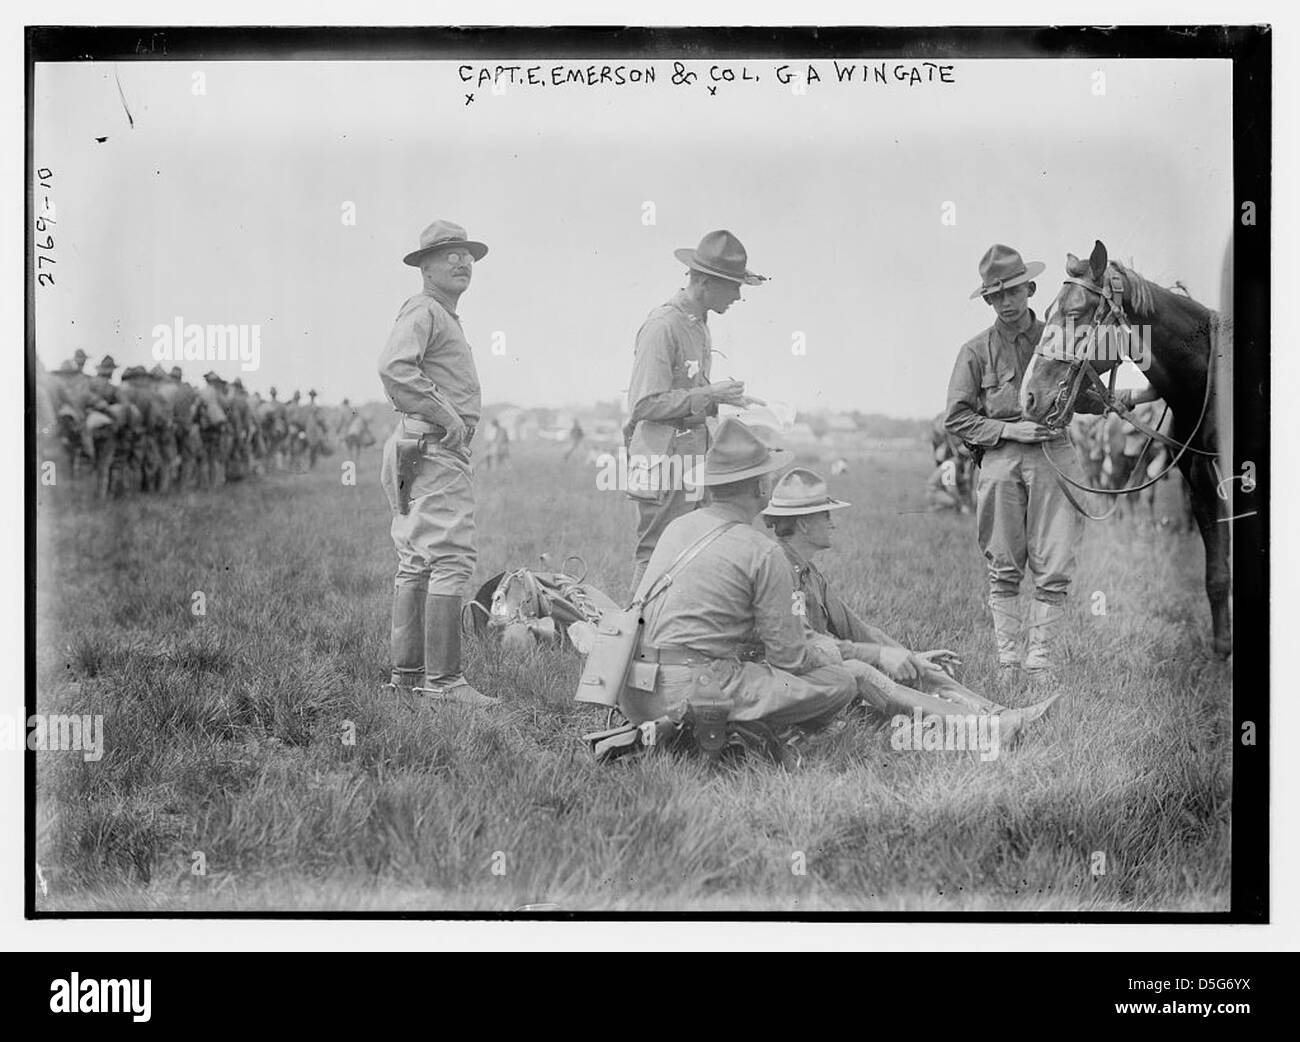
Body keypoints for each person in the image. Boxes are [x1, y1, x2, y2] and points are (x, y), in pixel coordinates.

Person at [761, 467, 1056, 735]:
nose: (833, 523)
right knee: (862, 670)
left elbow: (857, 629)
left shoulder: (808, 571)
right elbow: (807, 647)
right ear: (803, 525)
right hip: (785, 684)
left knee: (907, 667)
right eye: (825, 514)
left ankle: (1001, 714)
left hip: (812, 676)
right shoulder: (780, 569)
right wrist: (879, 656)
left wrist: (908, 656)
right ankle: (988, 728)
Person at [623, 418, 858, 741]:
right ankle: (741, 732)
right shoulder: (762, 551)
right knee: (839, 683)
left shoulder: (677, 527)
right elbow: (789, 659)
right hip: (689, 694)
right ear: (761, 487)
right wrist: (829, 652)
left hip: (633, 691)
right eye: (768, 476)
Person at [943, 244, 1082, 687]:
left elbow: (1089, 397)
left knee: (1055, 560)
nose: (1005, 302)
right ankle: (1008, 663)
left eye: (1013, 292)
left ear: (1030, 289)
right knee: (1003, 562)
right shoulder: (974, 351)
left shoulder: (1059, 340)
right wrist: (1008, 432)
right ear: (987, 300)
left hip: (1054, 453)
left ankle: (1039, 661)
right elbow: (957, 418)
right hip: (1002, 458)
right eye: (996, 295)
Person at [378, 218, 497, 707]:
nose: (462, 261)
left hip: (418, 446)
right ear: (423, 266)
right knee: (449, 558)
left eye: (467, 253)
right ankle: (444, 682)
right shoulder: (425, 310)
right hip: (434, 447)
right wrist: (447, 415)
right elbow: (394, 368)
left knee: (417, 560)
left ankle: (407, 677)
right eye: (449, 254)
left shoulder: (439, 313)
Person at [624, 230, 765, 591]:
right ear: (703, 282)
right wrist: (709, 393)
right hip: (662, 461)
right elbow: (643, 403)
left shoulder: (699, 326)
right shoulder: (663, 326)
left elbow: (686, 395)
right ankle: (633, 640)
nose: (737, 295)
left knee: (689, 550)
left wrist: (725, 402)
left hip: (688, 460)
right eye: (733, 286)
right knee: (657, 551)